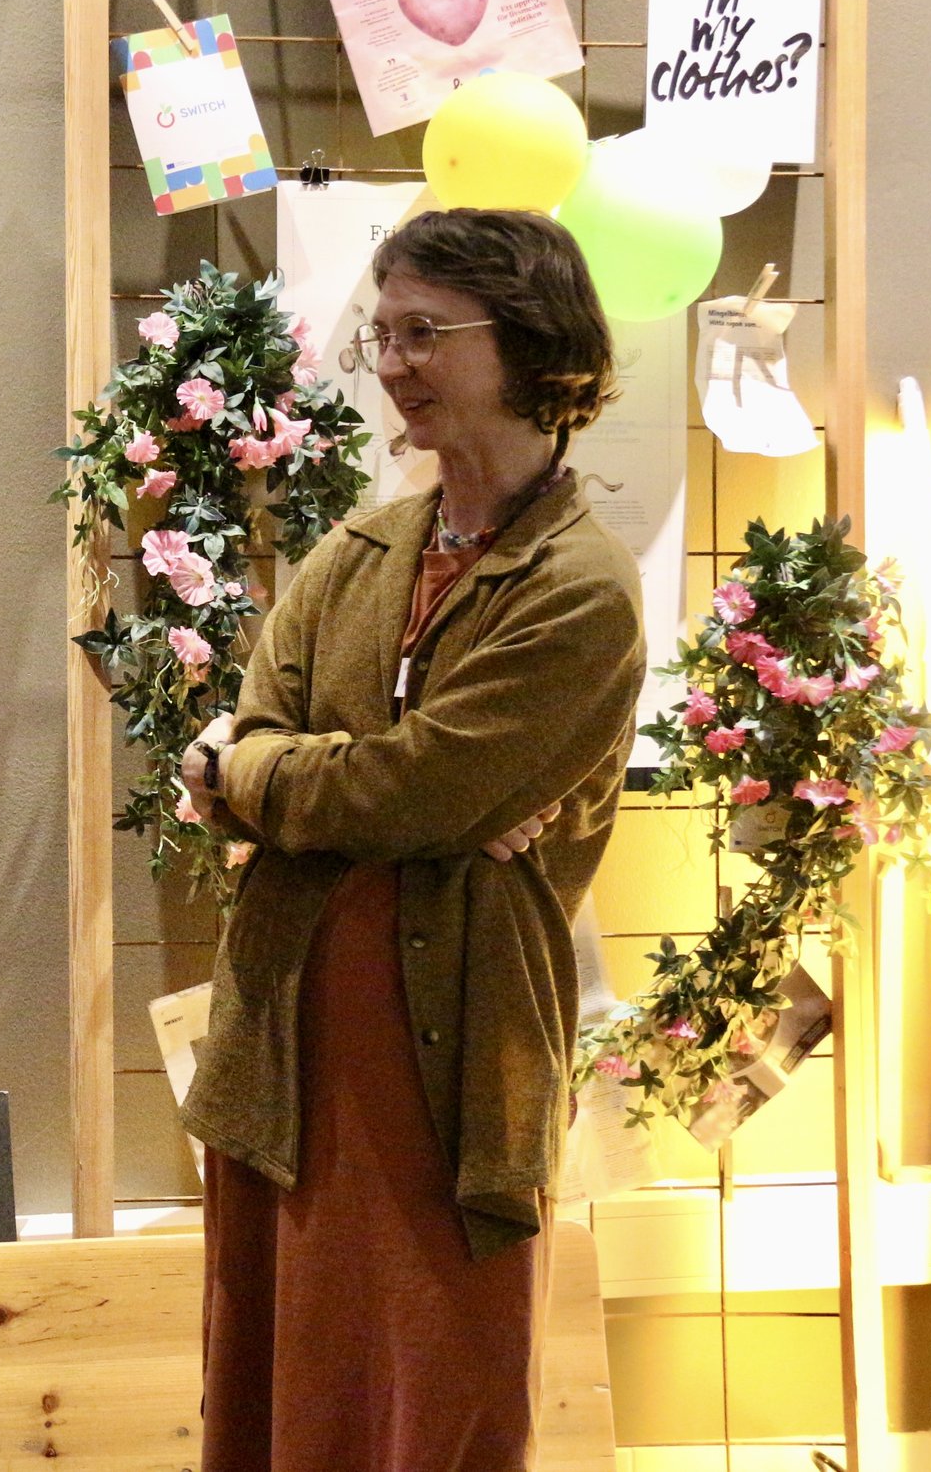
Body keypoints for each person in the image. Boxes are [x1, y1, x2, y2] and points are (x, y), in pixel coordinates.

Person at [175, 208, 647, 1472]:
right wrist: (307, 776)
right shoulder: (360, 548)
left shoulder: (581, 585)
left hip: (453, 1056)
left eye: (423, 332)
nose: (390, 363)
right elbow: (290, 735)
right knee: (278, 1372)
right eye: (379, 334)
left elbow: (411, 789)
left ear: (530, 341)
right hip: (285, 1035)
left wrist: (250, 778)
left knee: (438, 1382)